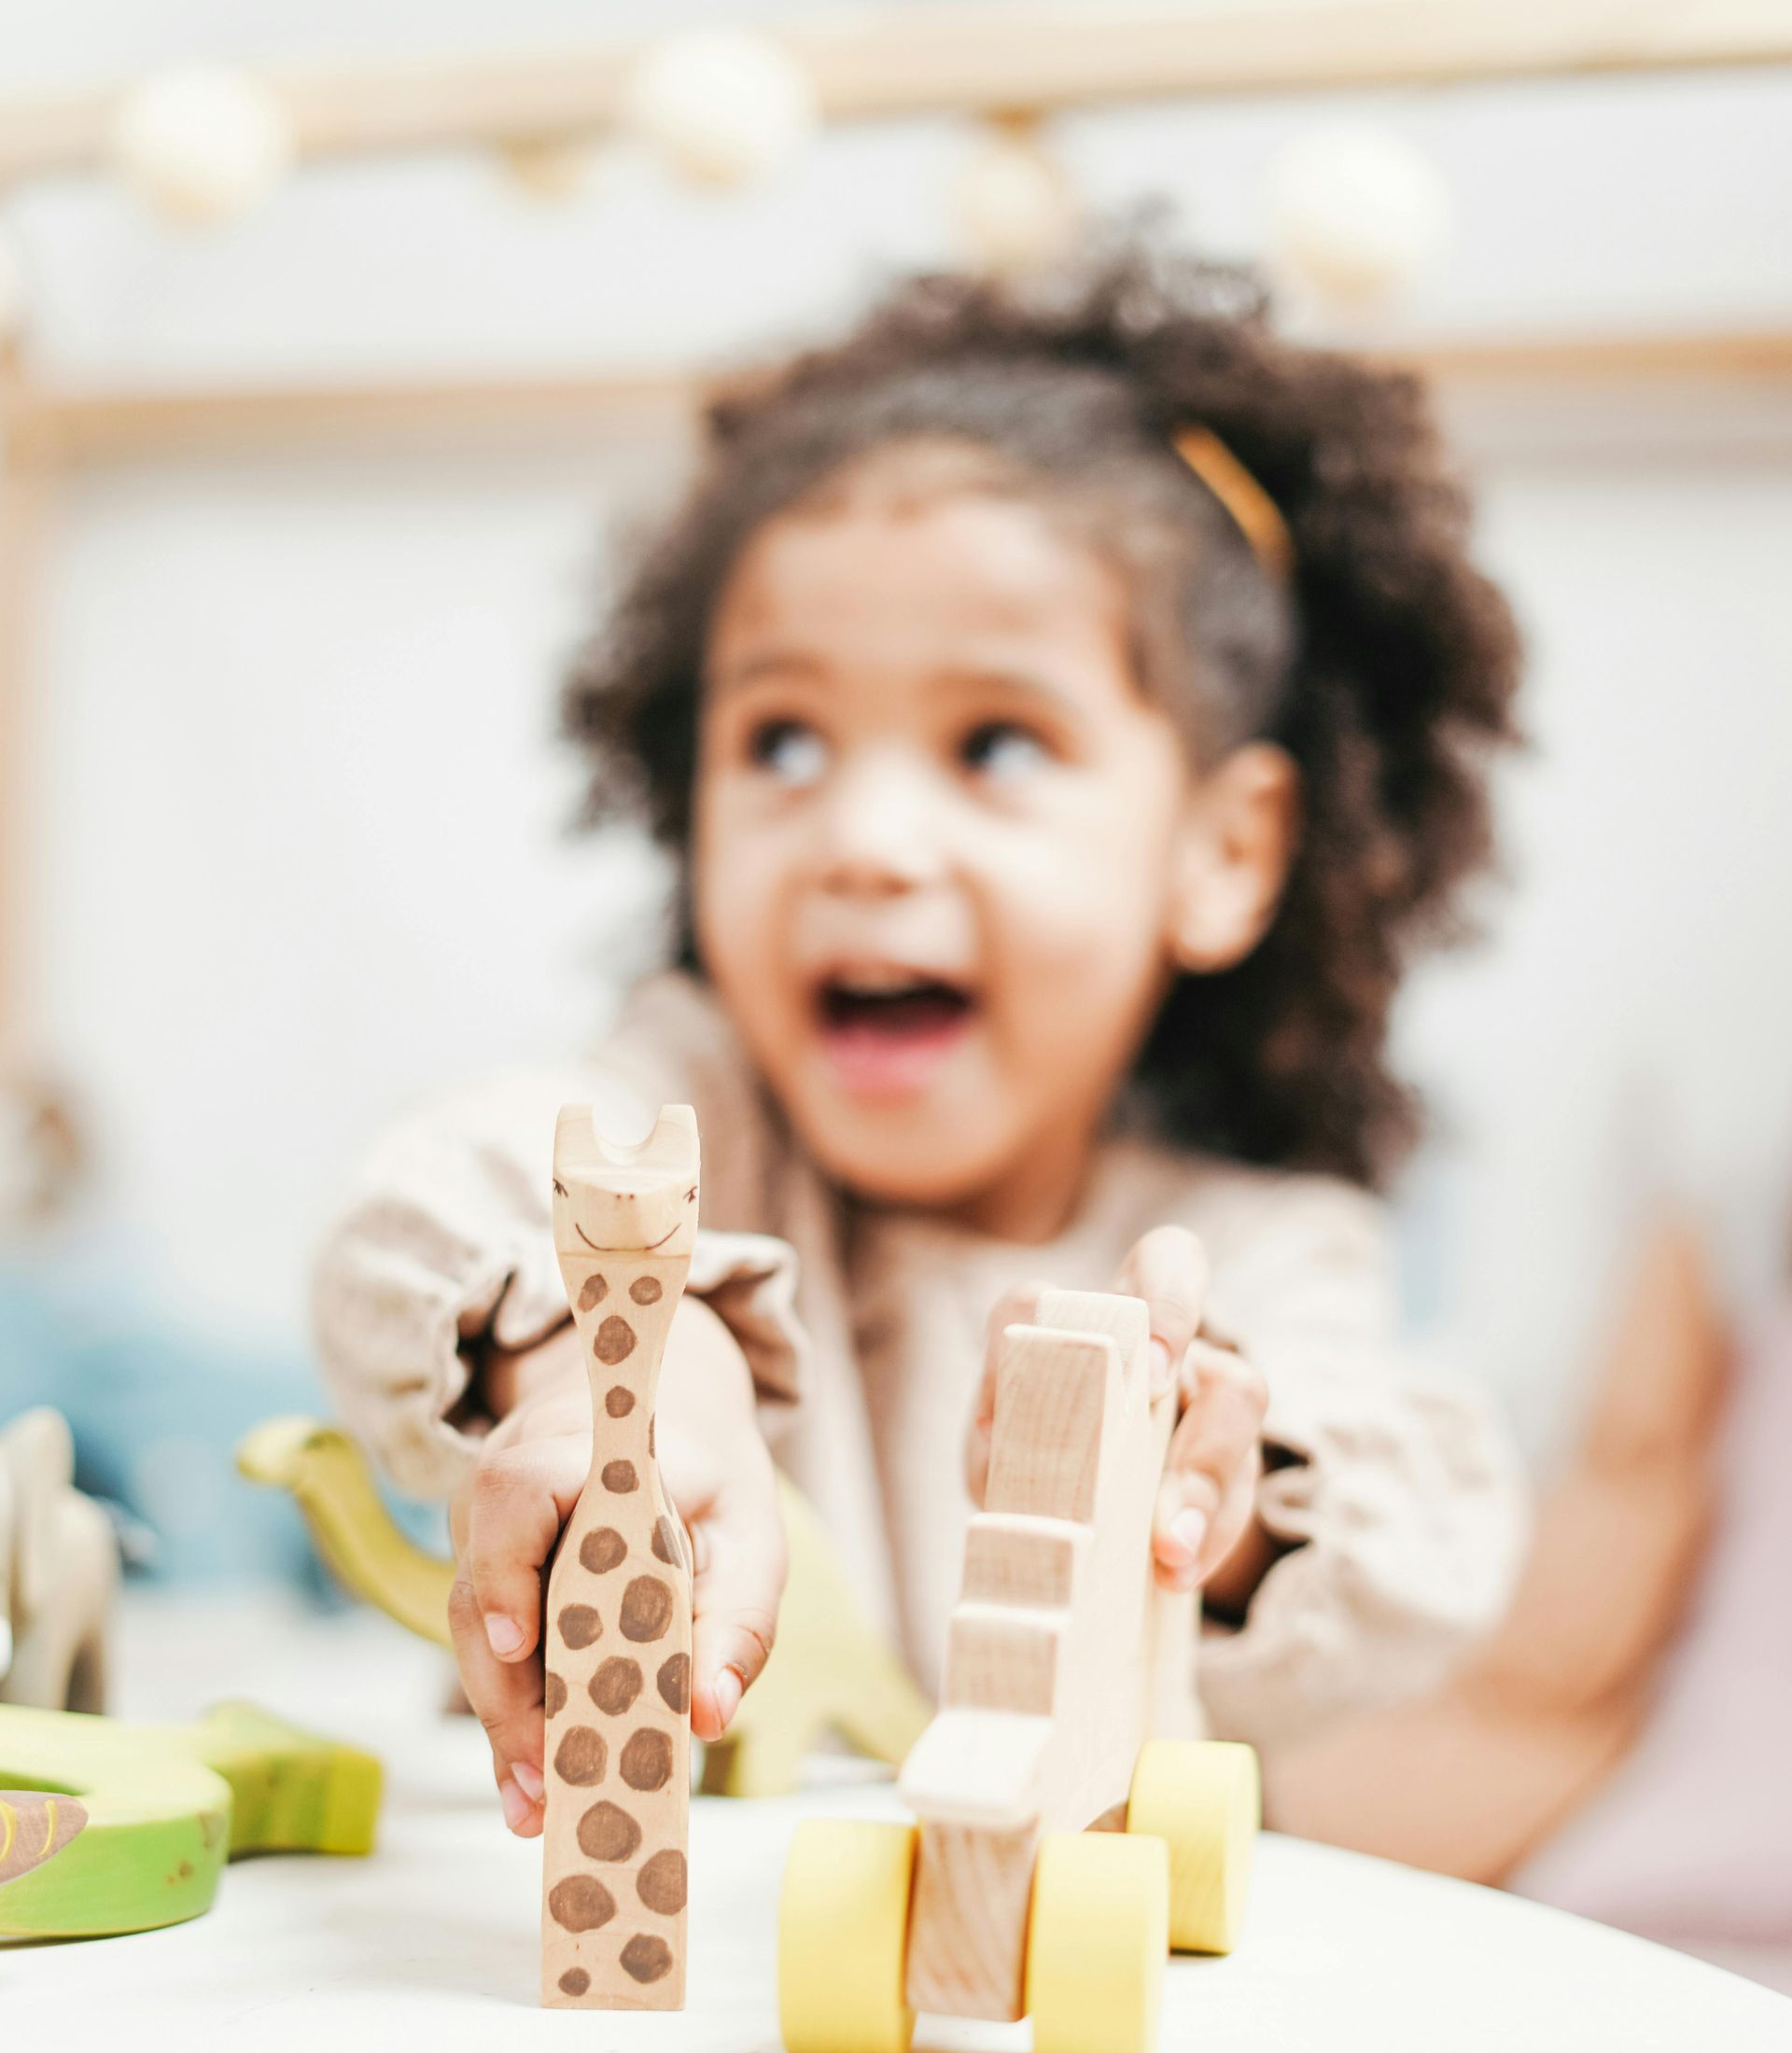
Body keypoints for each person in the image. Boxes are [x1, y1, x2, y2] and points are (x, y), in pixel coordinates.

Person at [315, 244, 1529, 1840]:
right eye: (785, 741)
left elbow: (1421, 1545)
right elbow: (430, 1200)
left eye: (998, 744)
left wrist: (1208, 1492)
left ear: (1222, 852)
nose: (865, 840)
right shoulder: (699, 1115)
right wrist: (620, 1344)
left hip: (1045, 2013)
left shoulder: (1249, 1253)